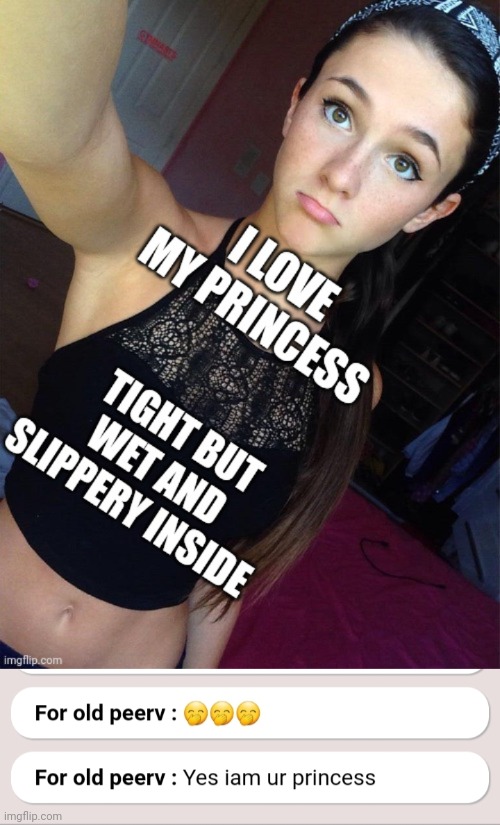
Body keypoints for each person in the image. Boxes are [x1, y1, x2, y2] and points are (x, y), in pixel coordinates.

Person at [0, 0, 498, 669]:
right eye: (339, 112)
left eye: (404, 162)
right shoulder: (145, 236)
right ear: (296, 105)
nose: (342, 175)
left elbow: (221, 561)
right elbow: (48, 129)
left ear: (432, 210)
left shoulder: (354, 386)